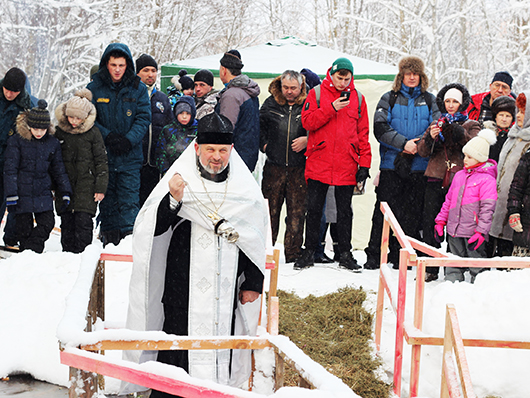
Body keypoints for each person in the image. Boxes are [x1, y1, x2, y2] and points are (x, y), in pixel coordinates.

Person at [124, 112, 268, 397]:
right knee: (178, 351)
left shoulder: (245, 191)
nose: (216, 157)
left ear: (231, 151)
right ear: (197, 149)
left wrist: (252, 283)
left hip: (224, 294)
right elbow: (152, 229)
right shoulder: (179, 181)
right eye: (211, 150)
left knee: (218, 348)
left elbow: (255, 239)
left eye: (223, 151)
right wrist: (174, 201)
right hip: (181, 287)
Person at [294, 57, 371, 271]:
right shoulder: (316, 93)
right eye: (340, 78)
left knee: (345, 211)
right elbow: (307, 122)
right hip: (320, 160)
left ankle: (345, 254)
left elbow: (363, 134)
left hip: (347, 162)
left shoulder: (359, 98)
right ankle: (309, 251)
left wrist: (364, 164)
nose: (343, 82)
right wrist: (331, 108)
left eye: (347, 79)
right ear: (332, 74)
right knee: (314, 209)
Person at [364, 56, 440, 270]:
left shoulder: (431, 100)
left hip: (419, 166)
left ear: (421, 76)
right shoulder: (388, 98)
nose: (412, 77)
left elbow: (436, 126)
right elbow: (380, 127)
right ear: (402, 75)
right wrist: (404, 144)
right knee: (383, 213)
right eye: (408, 73)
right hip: (391, 164)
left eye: (416, 73)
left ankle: (402, 256)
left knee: (411, 214)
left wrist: (421, 144)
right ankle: (374, 255)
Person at [87, 43, 151, 247]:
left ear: (127, 66)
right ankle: (109, 241)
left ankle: (128, 245)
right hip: (104, 156)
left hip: (130, 157)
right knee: (107, 204)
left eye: (121, 65)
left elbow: (143, 118)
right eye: (113, 64)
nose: (117, 69)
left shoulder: (138, 88)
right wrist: (108, 137)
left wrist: (128, 140)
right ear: (106, 64)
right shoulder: (95, 87)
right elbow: (89, 117)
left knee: (129, 202)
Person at [417, 83, 480, 281]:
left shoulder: (472, 124)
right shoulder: (436, 123)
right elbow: (422, 152)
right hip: (435, 179)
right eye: (448, 101)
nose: (451, 105)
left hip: (459, 182)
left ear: (462, 104)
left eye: (455, 101)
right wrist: (430, 139)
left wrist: (459, 133)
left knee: (456, 226)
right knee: (430, 223)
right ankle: (431, 267)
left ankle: (455, 269)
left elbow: (475, 150)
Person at [4, 100, 72, 253]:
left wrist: (65, 191)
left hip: (43, 193)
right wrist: (11, 194)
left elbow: (58, 169)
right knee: (23, 230)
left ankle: (30, 252)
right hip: (22, 194)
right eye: (35, 128)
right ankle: (30, 258)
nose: (39, 132)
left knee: (47, 223)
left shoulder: (52, 143)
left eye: (42, 129)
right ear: (29, 126)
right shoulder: (17, 141)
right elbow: (10, 170)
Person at [434, 129, 497, 283]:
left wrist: (481, 232)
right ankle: (452, 285)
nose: (465, 160)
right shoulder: (459, 175)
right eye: (465, 156)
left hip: (472, 231)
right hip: (454, 230)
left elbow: (487, 209)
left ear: (480, 158)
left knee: (476, 262)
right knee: (453, 260)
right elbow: (449, 200)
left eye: (470, 157)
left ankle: (479, 287)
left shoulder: (487, 180)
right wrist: (440, 221)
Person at [260, 70, 307, 263]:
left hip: (299, 168)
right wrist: (264, 145)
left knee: (296, 214)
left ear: (300, 87)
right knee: (270, 212)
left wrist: (308, 140)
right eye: (286, 88)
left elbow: (320, 128)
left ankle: (293, 254)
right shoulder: (270, 103)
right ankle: (265, 252)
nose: (289, 92)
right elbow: (259, 127)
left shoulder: (308, 104)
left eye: (293, 88)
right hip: (274, 167)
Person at [54, 89, 108, 253]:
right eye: (71, 117)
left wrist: (100, 188)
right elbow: (53, 161)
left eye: (78, 118)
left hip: (87, 186)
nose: (74, 121)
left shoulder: (93, 133)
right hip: (64, 185)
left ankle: (82, 255)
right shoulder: (59, 133)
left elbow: (101, 161)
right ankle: (67, 255)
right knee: (67, 222)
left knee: (83, 222)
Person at [490, 92, 530, 256]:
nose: (518, 116)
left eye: (523, 112)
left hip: (518, 208)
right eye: (518, 111)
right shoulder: (513, 134)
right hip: (500, 203)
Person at [136, 54, 174, 206]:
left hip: (155, 162)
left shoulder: (162, 98)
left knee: (152, 203)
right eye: (146, 70)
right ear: (138, 72)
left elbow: (169, 127)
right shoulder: (131, 95)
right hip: (136, 161)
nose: (150, 74)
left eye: (153, 70)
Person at [0, 67, 33, 247]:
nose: (9, 93)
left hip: (13, 161)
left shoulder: (26, 106)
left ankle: (11, 239)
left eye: (14, 91)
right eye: (7, 89)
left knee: (14, 202)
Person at [217, 50, 260, 171]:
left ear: (224, 70)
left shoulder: (232, 95)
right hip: (248, 154)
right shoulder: (249, 90)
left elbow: (225, 130)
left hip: (235, 158)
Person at [156, 96, 197, 176]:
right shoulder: (168, 130)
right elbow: (160, 152)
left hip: (193, 173)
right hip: (171, 172)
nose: (184, 117)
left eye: (188, 113)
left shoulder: (198, 130)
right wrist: (165, 170)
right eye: (181, 113)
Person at [507, 148, 530, 257]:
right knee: (519, 273)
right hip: (526, 227)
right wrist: (514, 211)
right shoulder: (528, 157)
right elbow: (517, 187)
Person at [483, 95, 516, 162]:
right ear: (495, 117)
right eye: (501, 115)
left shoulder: (515, 137)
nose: (504, 119)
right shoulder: (485, 135)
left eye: (508, 116)